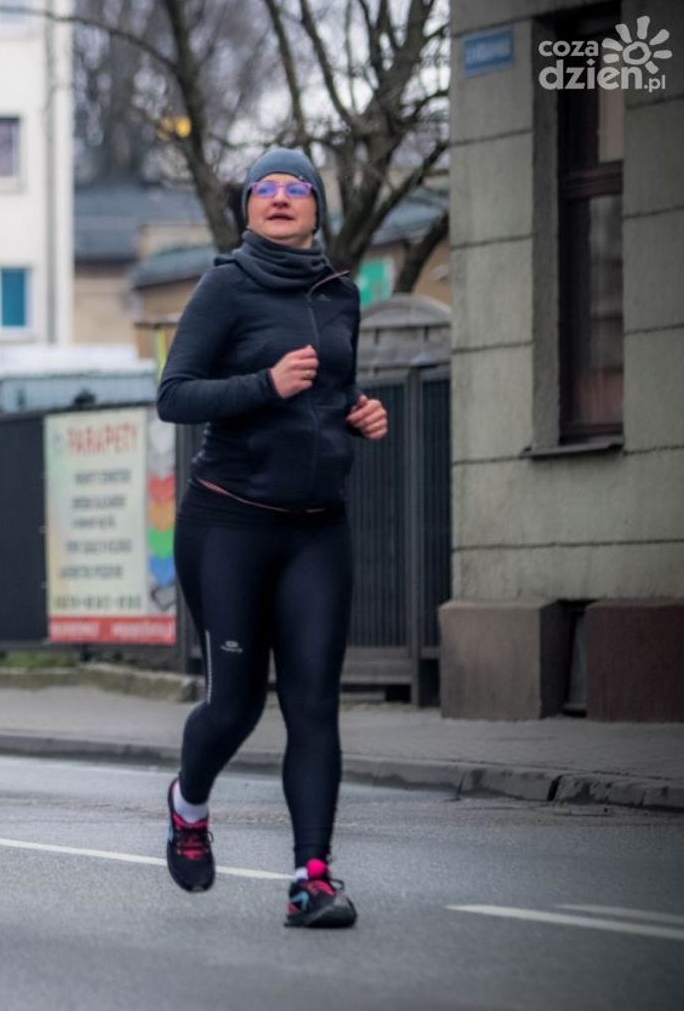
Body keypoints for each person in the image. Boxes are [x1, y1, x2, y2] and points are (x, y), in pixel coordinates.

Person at [155, 147, 389, 929]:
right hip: (230, 523)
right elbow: (175, 396)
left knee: (314, 704)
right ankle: (188, 806)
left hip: (318, 529)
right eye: (266, 188)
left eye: (298, 187)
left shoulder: (340, 292)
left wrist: (359, 411)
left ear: (318, 208)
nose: (282, 196)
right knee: (236, 704)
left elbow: (331, 389)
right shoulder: (226, 286)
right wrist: (265, 384)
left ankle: (312, 878)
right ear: (249, 208)